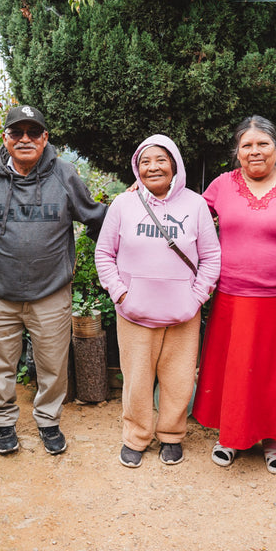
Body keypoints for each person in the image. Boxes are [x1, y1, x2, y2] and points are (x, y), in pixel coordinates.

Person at [191, 115, 276, 473]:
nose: (255, 151)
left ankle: (273, 439)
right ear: (237, 152)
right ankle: (231, 436)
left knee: (275, 372)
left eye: (262, 144)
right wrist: (144, 192)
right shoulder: (222, 185)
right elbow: (187, 215)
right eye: (247, 145)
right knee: (235, 368)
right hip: (232, 296)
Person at [0, 104, 106, 456]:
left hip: (51, 293)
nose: (26, 139)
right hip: (0, 291)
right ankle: (3, 423)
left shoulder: (65, 174)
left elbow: (95, 218)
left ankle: (48, 421)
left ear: (45, 138)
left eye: (34, 132)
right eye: (18, 132)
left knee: (52, 363)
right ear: (6, 138)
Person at [95, 135, 221, 468]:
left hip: (183, 312)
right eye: (145, 161)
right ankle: (136, 436)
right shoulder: (123, 204)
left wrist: (196, 297)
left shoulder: (195, 205)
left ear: (175, 164)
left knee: (178, 379)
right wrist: (121, 292)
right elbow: (104, 253)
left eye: (161, 159)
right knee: (136, 378)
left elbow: (211, 256)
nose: (153, 167)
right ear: (137, 167)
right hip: (134, 311)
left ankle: (171, 436)